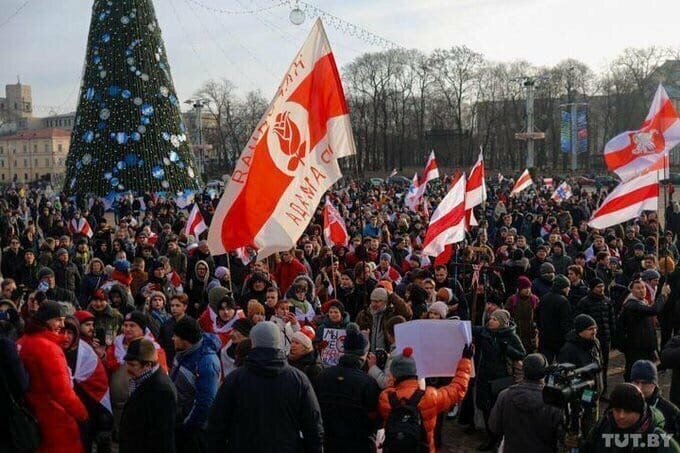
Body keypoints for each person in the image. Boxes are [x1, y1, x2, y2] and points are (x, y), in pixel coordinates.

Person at [206, 321, 323, 453]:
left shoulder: (235, 379)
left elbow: (216, 424)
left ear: (253, 343)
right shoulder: (298, 379)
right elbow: (313, 426)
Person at [18, 301, 89, 453]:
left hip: (31, 414)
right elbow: (62, 391)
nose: (62, 324)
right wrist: (82, 413)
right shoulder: (48, 348)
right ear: (46, 319)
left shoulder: (22, 341)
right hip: (54, 420)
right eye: (58, 319)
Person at [378, 344, 473, 453]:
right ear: (414, 371)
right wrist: (466, 360)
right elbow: (457, 389)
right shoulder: (429, 396)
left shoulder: (385, 397)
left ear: (393, 374)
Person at [314, 322, 381, 452]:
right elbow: (373, 416)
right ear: (364, 353)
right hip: (357, 443)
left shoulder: (323, 376)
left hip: (329, 442)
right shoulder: (367, 382)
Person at [472, 308, 527, 450]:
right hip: (484, 376)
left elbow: (522, 353)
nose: (491, 321)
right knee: (486, 408)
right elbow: (468, 329)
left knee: (500, 410)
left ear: (503, 323)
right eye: (491, 318)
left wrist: (507, 348)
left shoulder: (510, 336)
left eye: (495, 319)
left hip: (501, 379)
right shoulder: (483, 332)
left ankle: (500, 440)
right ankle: (490, 438)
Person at [488, 353, 562, 452]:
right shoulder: (553, 402)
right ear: (545, 373)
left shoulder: (505, 395)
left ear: (523, 371)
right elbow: (561, 437)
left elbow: (494, 427)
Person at [170, 317, 221, 453]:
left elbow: (205, 403)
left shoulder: (206, 362)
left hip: (194, 431)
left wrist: (186, 426)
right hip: (179, 421)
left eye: (175, 336)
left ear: (185, 340)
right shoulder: (182, 353)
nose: (172, 338)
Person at [582, 383, 680, 452]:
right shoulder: (602, 427)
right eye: (617, 410)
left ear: (640, 412)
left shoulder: (660, 440)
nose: (621, 416)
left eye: (628, 411)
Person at [118, 338, 177, 453]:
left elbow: (163, 439)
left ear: (147, 365)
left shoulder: (162, 391)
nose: (127, 369)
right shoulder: (140, 380)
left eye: (132, 364)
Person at [557, 314, 602, 437]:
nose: (594, 331)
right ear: (580, 331)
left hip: (595, 392)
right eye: (590, 329)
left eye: (595, 328)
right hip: (581, 396)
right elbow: (566, 376)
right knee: (582, 423)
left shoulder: (595, 343)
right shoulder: (568, 350)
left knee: (593, 422)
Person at [621, 279, 668, 381]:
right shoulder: (632, 305)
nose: (642, 290)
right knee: (634, 372)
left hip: (646, 347)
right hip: (636, 348)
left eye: (643, 288)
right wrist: (663, 295)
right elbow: (653, 310)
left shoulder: (642, 302)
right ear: (632, 290)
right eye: (638, 288)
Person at [631, 360, 680, 435]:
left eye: (645, 383)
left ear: (654, 384)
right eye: (636, 382)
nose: (639, 387)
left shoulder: (670, 412)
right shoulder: (623, 406)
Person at [356, 287, 412, 352]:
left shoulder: (391, 314)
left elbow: (408, 314)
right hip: (368, 355)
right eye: (373, 301)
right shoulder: (363, 315)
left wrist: (393, 296)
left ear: (385, 302)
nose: (374, 304)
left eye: (378, 301)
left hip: (387, 354)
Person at [536, 274, 572, 363]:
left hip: (545, 339)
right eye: (568, 287)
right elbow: (565, 323)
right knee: (561, 367)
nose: (569, 289)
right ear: (563, 288)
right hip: (559, 341)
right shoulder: (563, 301)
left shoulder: (544, 297)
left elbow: (537, 316)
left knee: (545, 365)